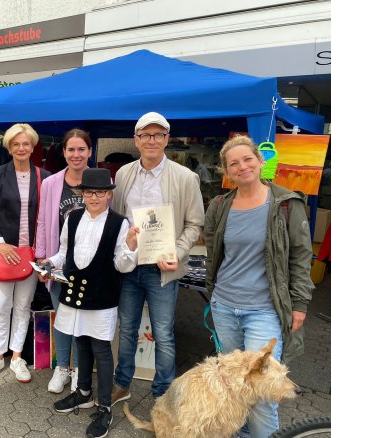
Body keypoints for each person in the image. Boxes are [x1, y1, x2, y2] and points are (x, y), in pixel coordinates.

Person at [204, 135, 313, 438]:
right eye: (233, 163)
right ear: (226, 171)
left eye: (247, 159)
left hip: (264, 310)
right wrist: (213, 295)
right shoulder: (220, 205)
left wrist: (300, 305)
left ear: (260, 160)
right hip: (224, 306)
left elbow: (302, 259)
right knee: (234, 386)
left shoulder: (287, 204)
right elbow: (214, 252)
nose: (242, 167)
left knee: (263, 393)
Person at [36, 168, 139, 438]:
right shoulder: (72, 217)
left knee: (101, 349)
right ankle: (83, 393)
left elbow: (122, 265)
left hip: (102, 295)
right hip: (73, 290)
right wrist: (49, 263)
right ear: (82, 194)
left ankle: (105, 406)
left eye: (101, 192)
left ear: (109, 195)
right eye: (89, 192)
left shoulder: (120, 223)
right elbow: (63, 252)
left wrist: (129, 247)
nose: (95, 197)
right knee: (79, 339)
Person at [110, 112, 205, 402]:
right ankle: (122, 383)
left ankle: (163, 394)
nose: (152, 141)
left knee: (163, 333)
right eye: (146, 135)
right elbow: (117, 219)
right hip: (130, 267)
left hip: (162, 269)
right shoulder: (124, 174)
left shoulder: (186, 177)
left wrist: (177, 252)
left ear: (167, 138)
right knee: (126, 329)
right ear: (136, 140)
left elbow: (194, 224)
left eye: (158, 135)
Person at [0, 123, 50, 383]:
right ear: (9, 147)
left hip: (31, 254)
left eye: (26, 143)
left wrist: (44, 251)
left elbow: (48, 216)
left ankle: (17, 356)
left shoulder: (44, 176)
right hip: (4, 253)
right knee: (0, 306)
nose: (21, 148)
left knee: (23, 306)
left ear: (33, 146)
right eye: (16, 144)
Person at [35, 128, 94, 393]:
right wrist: (42, 258)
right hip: (59, 263)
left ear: (90, 151)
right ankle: (62, 369)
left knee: (83, 318)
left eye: (81, 149)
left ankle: (80, 368)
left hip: (90, 263)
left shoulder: (102, 180)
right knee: (62, 316)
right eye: (71, 149)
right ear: (64, 152)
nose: (76, 154)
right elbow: (43, 222)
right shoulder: (51, 183)